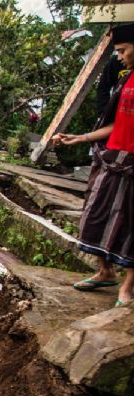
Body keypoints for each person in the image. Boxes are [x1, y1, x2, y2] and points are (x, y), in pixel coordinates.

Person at [53, 23, 134, 307]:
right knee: (95, 213)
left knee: (129, 223)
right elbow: (114, 123)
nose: (120, 57)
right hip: (113, 156)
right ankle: (105, 271)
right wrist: (80, 138)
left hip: (131, 163)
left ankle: (126, 287)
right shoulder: (125, 81)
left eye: (123, 50)